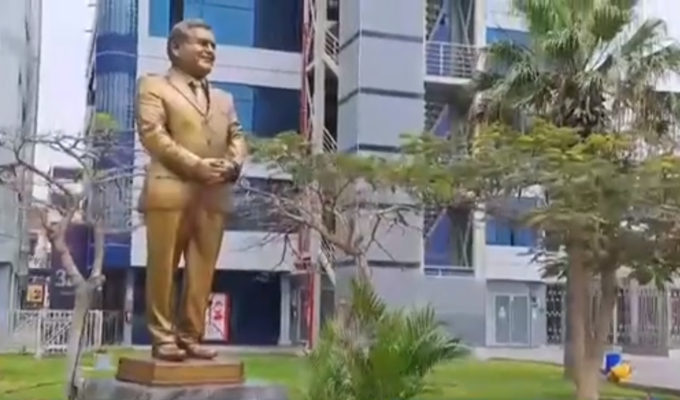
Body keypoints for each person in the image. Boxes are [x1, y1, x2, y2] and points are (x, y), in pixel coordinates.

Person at [136, 19, 247, 362]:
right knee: (163, 268)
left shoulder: (225, 98)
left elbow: (237, 136)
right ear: (175, 48)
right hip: (170, 191)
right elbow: (153, 134)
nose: (209, 50)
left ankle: (191, 335)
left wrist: (233, 165)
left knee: (202, 270)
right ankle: (162, 337)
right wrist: (195, 166)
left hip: (213, 196)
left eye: (212, 45)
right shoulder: (154, 86)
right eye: (201, 43)